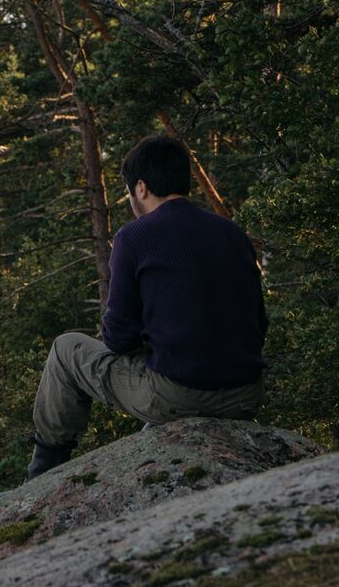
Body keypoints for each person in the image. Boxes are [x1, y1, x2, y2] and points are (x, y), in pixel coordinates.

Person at [21, 134, 268, 482]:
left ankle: (38, 483)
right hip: (246, 395)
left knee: (66, 350)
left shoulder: (134, 236)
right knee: (162, 362)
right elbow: (259, 323)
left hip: (181, 396)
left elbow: (118, 338)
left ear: (140, 187)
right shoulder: (232, 232)